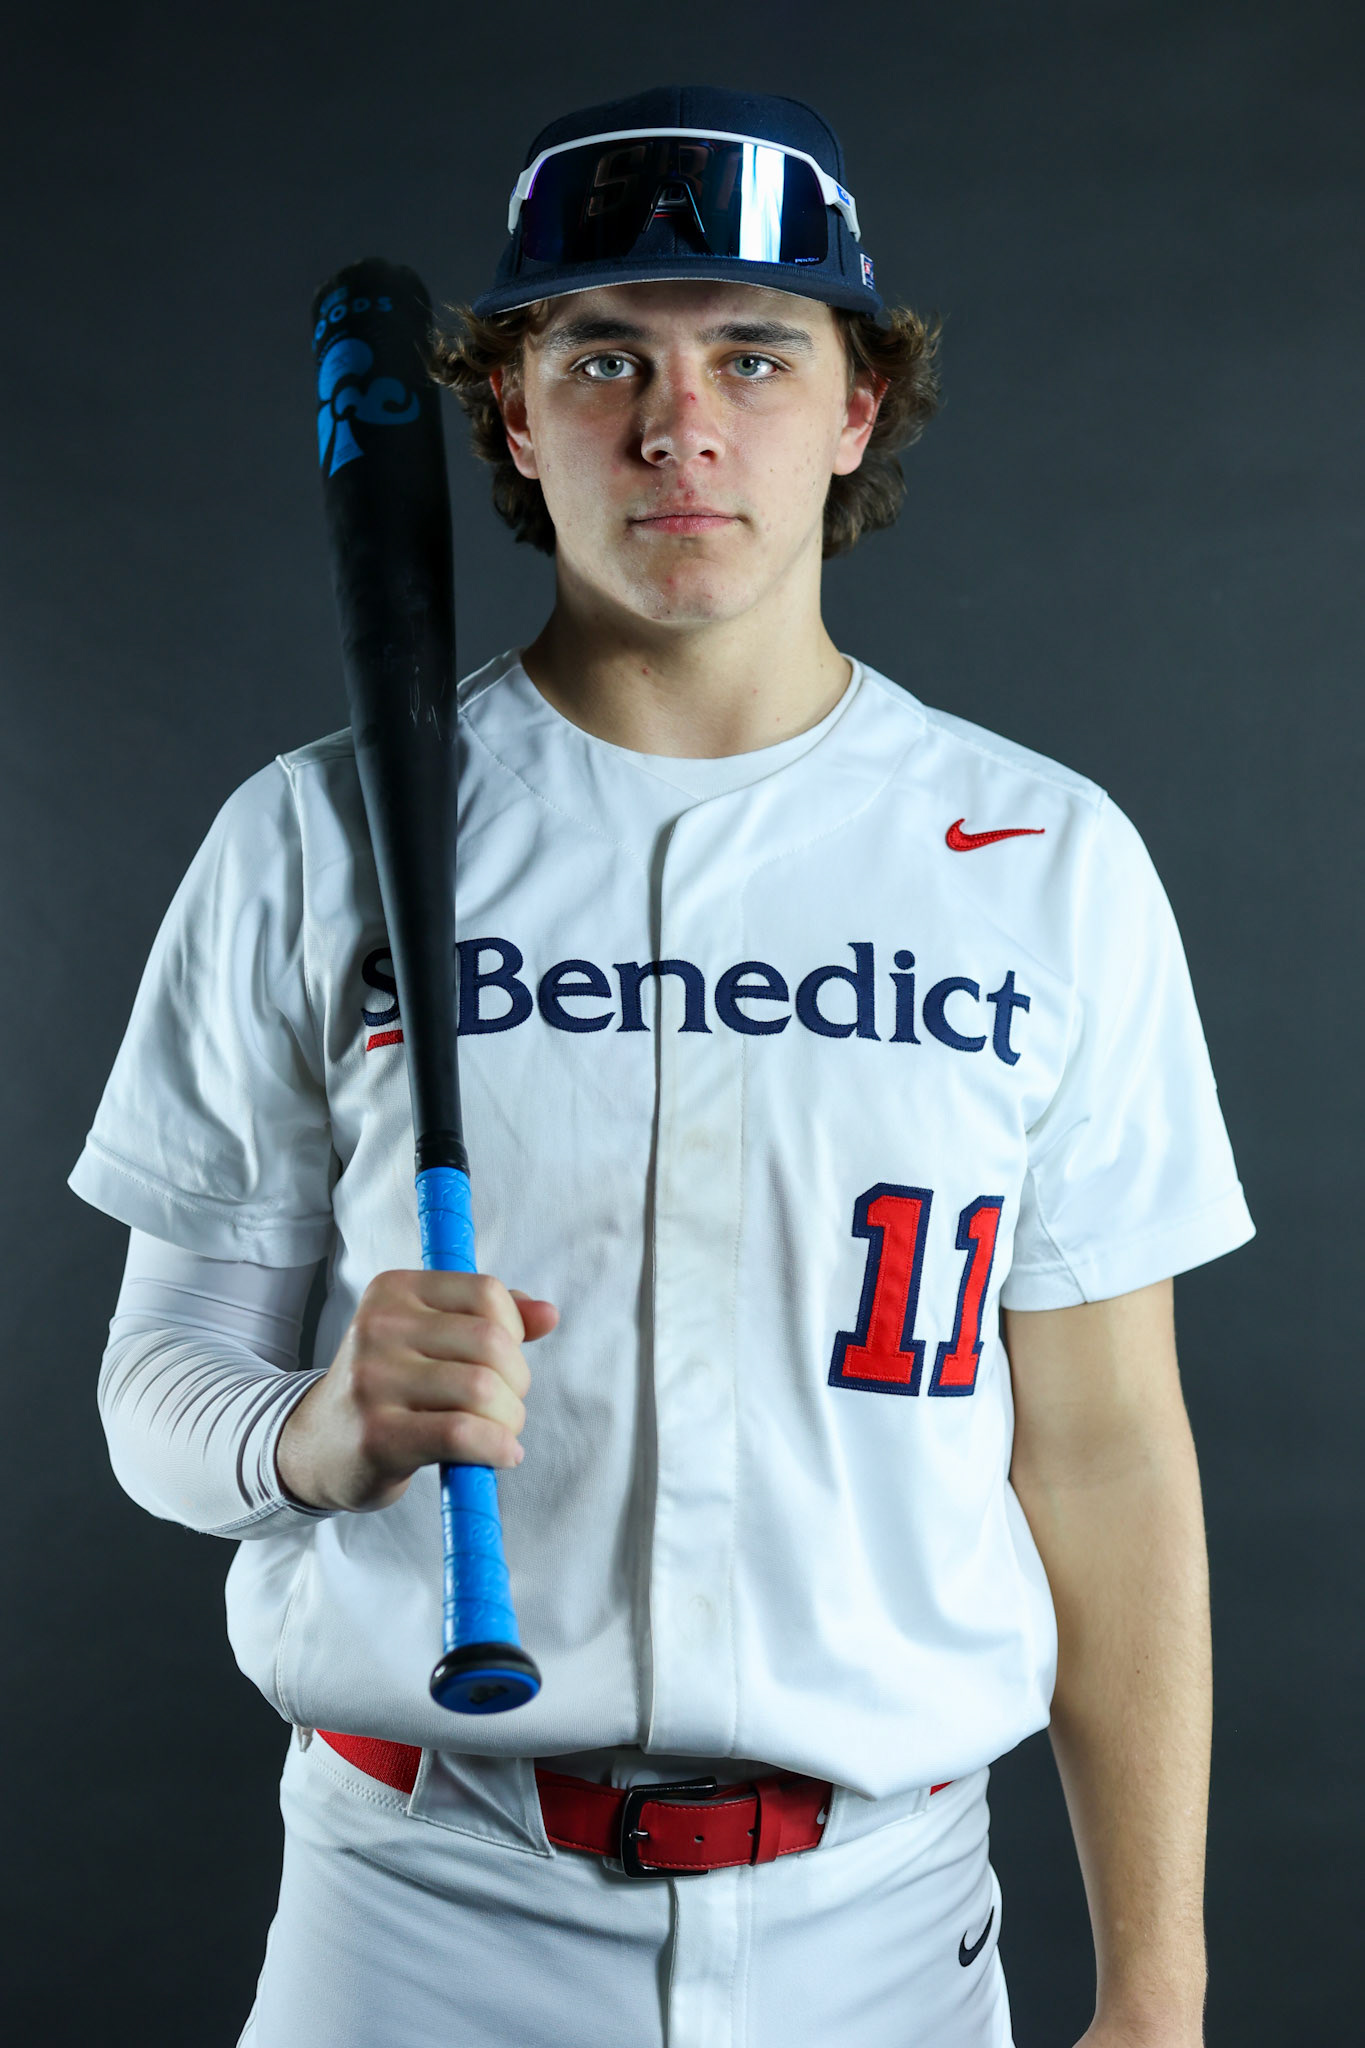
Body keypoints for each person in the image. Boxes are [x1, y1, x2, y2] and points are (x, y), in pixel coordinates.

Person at [71, 84, 1253, 2048]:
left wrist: (1154, 1981)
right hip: (420, 1911)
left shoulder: (1042, 859)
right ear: (514, 419)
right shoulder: (309, 837)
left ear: (854, 408)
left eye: (754, 353)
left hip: (882, 1921)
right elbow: (151, 1389)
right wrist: (315, 1434)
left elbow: (1107, 1453)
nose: (677, 418)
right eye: (603, 352)